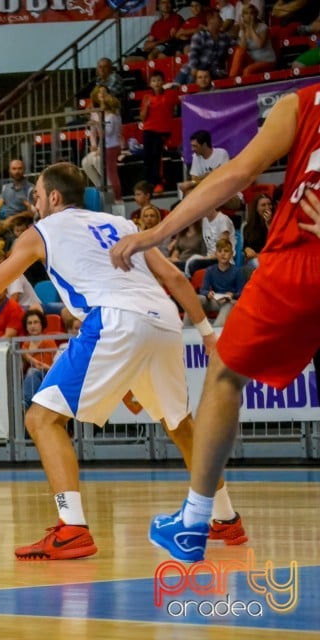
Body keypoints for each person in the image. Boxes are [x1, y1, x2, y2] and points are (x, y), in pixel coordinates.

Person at [0, 162, 244, 560]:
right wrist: (207, 333)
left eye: (36, 195)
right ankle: (225, 518)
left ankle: (72, 528)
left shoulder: (42, 231)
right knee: (179, 424)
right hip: (164, 320)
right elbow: (175, 279)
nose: (33, 202)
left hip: (114, 318)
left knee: (41, 419)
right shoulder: (120, 223)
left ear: (54, 197)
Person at [110, 85, 320, 562]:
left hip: (300, 261)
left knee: (225, 374)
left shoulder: (304, 101)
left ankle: (195, 520)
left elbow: (237, 173)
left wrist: (160, 231)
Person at [139, 72, 177, 193]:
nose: (156, 83)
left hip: (162, 131)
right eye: (154, 81)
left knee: (156, 155)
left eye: (159, 80)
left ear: (163, 82)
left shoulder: (170, 95)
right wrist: (146, 106)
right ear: (150, 83)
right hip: (148, 130)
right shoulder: (146, 97)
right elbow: (142, 117)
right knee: (147, 157)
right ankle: (148, 183)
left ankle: (158, 182)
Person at [195, 238, 244, 327]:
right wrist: (208, 293)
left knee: (227, 305)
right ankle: (187, 330)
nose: (223, 254)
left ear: (231, 254)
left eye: (226, 251)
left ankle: (216, 334)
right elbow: (203, 290)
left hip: (231, 302)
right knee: (197, 298)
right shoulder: (210, 270)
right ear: (216, 254)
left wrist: (233, 294)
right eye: (220, 251)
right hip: (216, 300)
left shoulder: (237, 271)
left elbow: (242, 293)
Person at [20, 310, 58, 409]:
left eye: (36, 322)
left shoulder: (48, 341)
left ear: (41, 325)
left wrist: (28, 357)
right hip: (30, 379)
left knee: (32, 371)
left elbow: (45, 367)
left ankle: (25, 404)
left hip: (47, 377)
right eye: (29, 323)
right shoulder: (25, 344)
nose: (33, 326)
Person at [227, 4, 276, 78]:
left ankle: (247, 88)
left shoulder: (263, 27)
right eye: (246, 13)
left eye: (252, 13)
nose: (249, 16)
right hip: (252, 60)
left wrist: (251, 28)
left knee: (248, 70)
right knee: (239, 51)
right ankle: (231, 78)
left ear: (256, 14)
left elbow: (260, 44)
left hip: (266, 60)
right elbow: (243, 48)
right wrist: (243, 31)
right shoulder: (242, 30)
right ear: (243, 16)